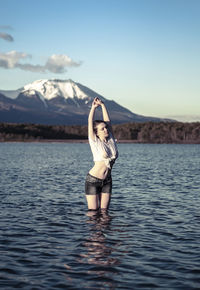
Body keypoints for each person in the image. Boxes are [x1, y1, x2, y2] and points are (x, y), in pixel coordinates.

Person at [85, 97, 118, 211]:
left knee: (105, 214)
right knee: (93, 214)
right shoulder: (95, 142)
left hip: (107, 181)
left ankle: (106, 230)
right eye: (102, 129)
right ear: (96, 133)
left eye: (106, 128)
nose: (106, 130)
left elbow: (108, 121)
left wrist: (103, 105)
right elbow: (90, 123)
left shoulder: (111, 140)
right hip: (93, 180)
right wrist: (93, 108)